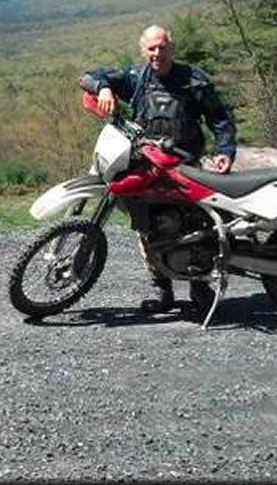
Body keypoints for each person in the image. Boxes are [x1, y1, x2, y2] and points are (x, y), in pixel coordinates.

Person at [79, 24, 237, 317]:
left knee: (199, 227)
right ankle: (161, 287)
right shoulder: (135, 79)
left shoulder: (194, 80)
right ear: (143, 50)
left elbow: (220, 118)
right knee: (148, 228)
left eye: (163, 47)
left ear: (171, 49)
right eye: (151, 48)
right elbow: (88, 77)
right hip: (147, 165)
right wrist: (103, 88)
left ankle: (200, 286)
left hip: (187, 165)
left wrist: (226, 151)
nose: (157, 53)